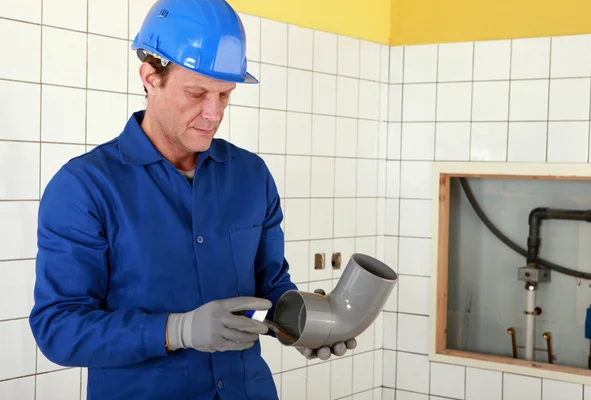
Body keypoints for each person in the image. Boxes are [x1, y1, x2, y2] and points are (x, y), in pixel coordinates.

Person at [28, 0, 356, 399]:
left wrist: (301, 323)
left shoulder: (251, 176)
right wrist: (175, 330)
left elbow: (269, 286)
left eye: (225, 94)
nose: (213, 113)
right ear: (150, 76)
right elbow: (59, 329)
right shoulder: (84, 186)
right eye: (197, 93)